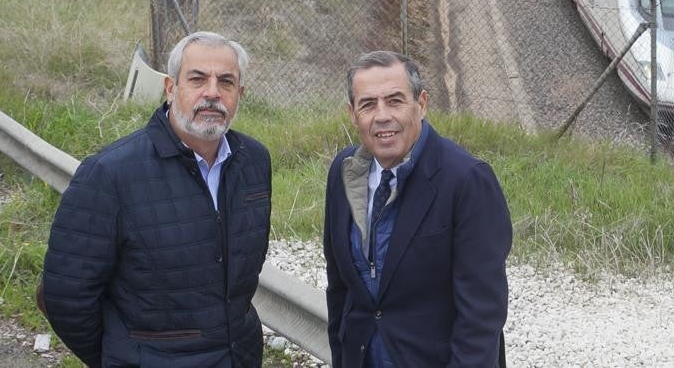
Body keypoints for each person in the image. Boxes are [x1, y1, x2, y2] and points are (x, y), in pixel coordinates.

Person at [41, 31, 271, 367]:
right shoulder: (110, 173)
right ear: (170, 88)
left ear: (240, 94)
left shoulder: (254, 161)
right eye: (197, 79)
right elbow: (65, 296)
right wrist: (124, 357)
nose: (212, 93)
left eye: (226, 82)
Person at [324, 50, 512, 367]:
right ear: (353, 114)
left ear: (421, 104)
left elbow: (481, 318)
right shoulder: (344, 172)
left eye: (395, 100)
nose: (382, 115)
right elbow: (340, 290)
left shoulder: (466, 180)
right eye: (368, 104)